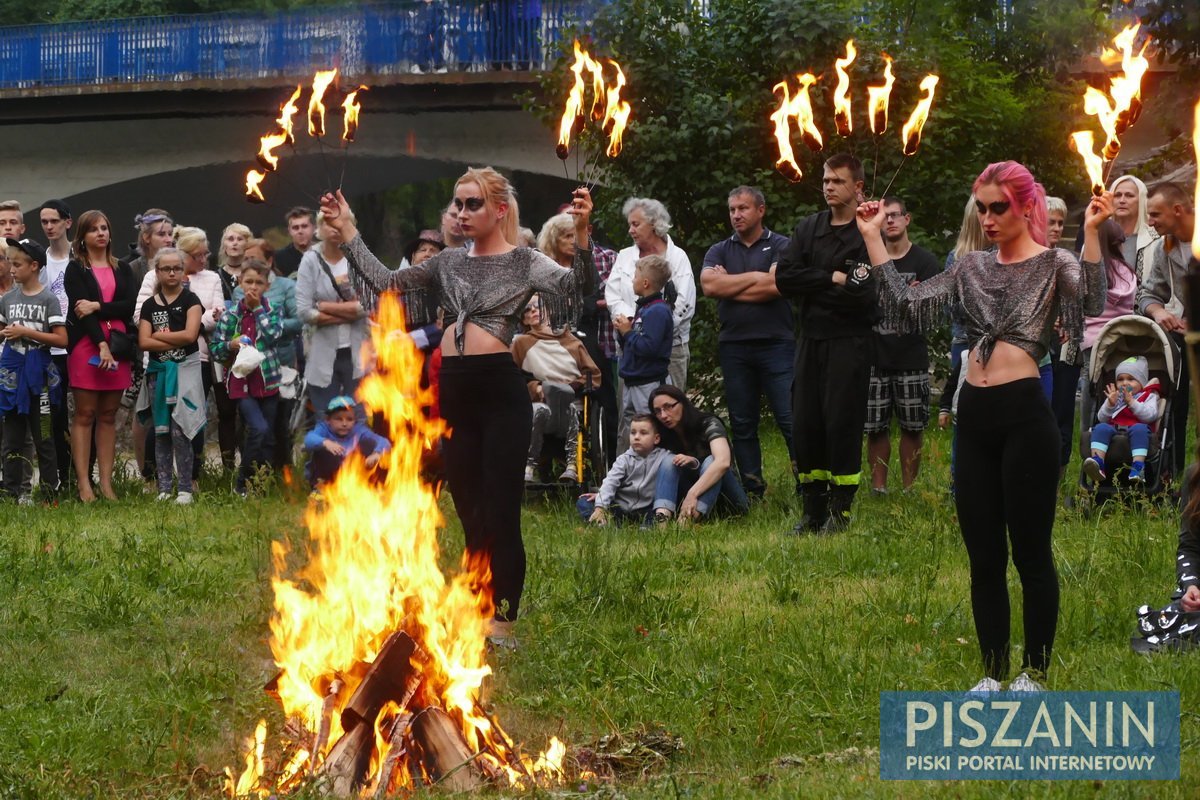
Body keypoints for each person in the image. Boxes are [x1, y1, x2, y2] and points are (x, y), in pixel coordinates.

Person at [319, 168, 597, 646]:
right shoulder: (446, 263)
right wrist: (347, 230)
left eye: (474, 205)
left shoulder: (526, 261)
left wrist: (585, 230)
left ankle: (504, 620)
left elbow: (577, 289)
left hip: (500, 392)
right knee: (469, 509)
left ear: (500, 210)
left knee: (501, 511)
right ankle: (475, 609)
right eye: (458, 204)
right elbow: (387, 280)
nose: (462, 213)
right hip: (455, 390)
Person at [857, 160, 1107, 691]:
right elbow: (906, 307)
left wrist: (1089, 233)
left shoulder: (1053, 262)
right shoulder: (969, 267)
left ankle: (1034, 672)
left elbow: (1091, 300)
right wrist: (873, 238)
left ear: (1025, 207)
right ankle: (992, 675)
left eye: (1000, 207)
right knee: (984, 554)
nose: (989, 218)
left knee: (1030, 550)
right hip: (974, 417)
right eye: (983, 208)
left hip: (1024, 415)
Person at [774, 153, 877, 532]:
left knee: (841, 422)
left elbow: (862, 294)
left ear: (858, 187)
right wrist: (832, 277)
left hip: (849, 342)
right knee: (807, 424)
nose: (829, 187)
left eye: (837, 181)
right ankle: (812, 511)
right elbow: (785, 279)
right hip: (810, 339)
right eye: (825, 181)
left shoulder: (866, 233)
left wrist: (815, 283)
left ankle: (840, 511)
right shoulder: (809, 227)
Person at [700, 185, 794, 499]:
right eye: (732, 210)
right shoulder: (719, 250)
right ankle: (754, 490)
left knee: (790, 417)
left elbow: (778, 286)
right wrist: (758, 277)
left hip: (776, 344)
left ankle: (807, 484)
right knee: (742, 422)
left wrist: (731, 284)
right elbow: (710, 287)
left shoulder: (782, 245)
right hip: (734, 346)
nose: (736, 215)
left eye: (742, 208)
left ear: (760, 210)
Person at [864, 196, 941, 494]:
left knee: (912, 426)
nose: (891, 221)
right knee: (875, 427)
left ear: (907, 219)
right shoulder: (870, 259)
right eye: (886, 217)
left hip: (911, 355)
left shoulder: (925, 261)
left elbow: (929, 311)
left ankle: (910, 488)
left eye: (896, 215)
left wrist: (917, 300)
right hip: (874, 355)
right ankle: (878, 488)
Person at [65, 210, 137, 503]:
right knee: (84, 414)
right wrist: (100, 344)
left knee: (108, 415)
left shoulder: (123, 268)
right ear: (82, 236)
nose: (101, 233)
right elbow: (80, 313)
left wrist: (97, 305)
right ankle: (84, 484)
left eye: (104, 228)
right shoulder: (76, 269)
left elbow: (127, 306)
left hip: (119, 344)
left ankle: (107, 485)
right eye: (94, 229)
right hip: (87, 345)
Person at [135, 247, 204, 505]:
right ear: (157, 272)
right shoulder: (149, 305)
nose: (172, 272)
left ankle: (185, 488)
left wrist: (159, 336)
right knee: (161, 430)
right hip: (158, 373)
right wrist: (164, 340)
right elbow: (143, 341)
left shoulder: (191, 300)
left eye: (177, 268)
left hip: (186, 371)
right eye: (166, 268)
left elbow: (190, 336)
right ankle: (164, 487)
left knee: (182, 430)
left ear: (183, 271)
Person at [606, 198, 696, 390]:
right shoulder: (624, 257)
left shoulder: (677, 257)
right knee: (630, 414)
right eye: (629, 224)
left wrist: (655, 333)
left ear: (654, 223)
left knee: (671, 412)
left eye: (636, 224)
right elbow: (613, 297)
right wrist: (633, 329)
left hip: (671, 349)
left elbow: (685, 303)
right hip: (630, 349)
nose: (630, 230)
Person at [1137, 181, 1195, 480]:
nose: (1150, 221)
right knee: (1177, 405)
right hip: (1187, 342)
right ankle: (1173, 476)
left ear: (1177, 210)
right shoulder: (1164, 247)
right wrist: (1159, 311)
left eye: (1156, 214)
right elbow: (1147, 294)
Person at [211, 260, 284, 496]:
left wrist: (258, 310)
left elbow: (274, 336)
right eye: (248, 281)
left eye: (259, 282)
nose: (253, 287)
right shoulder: (231, 314)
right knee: (258, 429)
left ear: (267, 286)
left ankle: (260, 485)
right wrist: (230, 344)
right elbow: (216, 348)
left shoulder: (272, 310)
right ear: (240, 283)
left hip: (268, 382)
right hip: (241, 384)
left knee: (268, 437)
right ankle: (242, 483)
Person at [0, 238, 65, 502]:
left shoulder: (48, 299)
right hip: (12, 375)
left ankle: (50, 493)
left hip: (40, 376)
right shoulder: (8, 299)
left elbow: (61, 339)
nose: (11, 269)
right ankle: (12, 491)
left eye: (17, 264)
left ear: (34, 266)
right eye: (9, 263)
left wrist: (25, 332)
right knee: (12, 438)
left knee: (44, 436)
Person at [512, 294, 600, 483]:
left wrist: (572, 386)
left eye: (537, 306)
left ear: (550, 309)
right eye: (527, 309)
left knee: (571, 409)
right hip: (539, 402)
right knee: (538, 411)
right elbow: (512, 378)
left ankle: (571, 466)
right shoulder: (520, 344)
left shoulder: (573, 343)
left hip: (570, 400)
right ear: (524, 318)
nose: (532, 311)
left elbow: (594, 376)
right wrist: (534, 387)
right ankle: (529, 466)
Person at [296, 210, 369, 424]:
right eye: (329, 224)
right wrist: (350, 313)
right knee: (325, 418)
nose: (335, 228)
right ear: (319, 228)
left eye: (342, 223)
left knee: (358, 416)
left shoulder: (359, 258)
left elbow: (368, 306)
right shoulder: (310, 260)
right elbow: (304, 311)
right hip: (322, 352)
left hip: (357, 351)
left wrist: (324, 306)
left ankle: (357, 456)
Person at [649, 384, 749, 523]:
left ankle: (688, 521)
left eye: (669, 407)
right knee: (668, 461)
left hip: (728, 499)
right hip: (684, 498)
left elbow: (723, 462)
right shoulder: (663, 435)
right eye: (658, 411)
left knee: (712, 460)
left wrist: (692, 494)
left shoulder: (708, 423)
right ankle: (662, 521)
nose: (663, 415)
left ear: (682, 403)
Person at [244, 238, 302, 469]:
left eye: (254, 259)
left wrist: (271, 325)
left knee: (280, 423)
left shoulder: (286, 286)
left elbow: (299, 321)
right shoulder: (242, 287)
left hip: (281, 363)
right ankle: (251, 473)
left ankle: (282, 473)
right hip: (248, 367)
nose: (248, 263)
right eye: (246, 259)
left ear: (269, 261)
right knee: (254, 426)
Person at [125, 208, 175, 483]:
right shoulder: (134, 268)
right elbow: (133, 310)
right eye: (161, 234)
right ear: (146, 237)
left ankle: (167, 468)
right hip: (140, 346)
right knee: (142, 410)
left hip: (171, 344)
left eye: (170, 233)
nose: (168, 239)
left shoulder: (178, 263)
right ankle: (147, 472)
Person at [614, 255, 673, 449]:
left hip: (649, 384)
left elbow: (649, 348)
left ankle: (657, 473)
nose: (632, 280)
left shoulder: (658, 311)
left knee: (651, 430)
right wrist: (623, 333)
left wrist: (628, 332)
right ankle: (638, 472)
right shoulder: (644, 308)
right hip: (633, 382)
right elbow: (634, 345)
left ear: (645, 283)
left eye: (635, 276)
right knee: (636, 433)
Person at [576, 413, 671, 526]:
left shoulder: (664, 457)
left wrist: (692, 462)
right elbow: (610, 482)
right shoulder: (624, 460)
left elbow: (679, 463)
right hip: (620, 507)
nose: (636, 437)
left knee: (655, 515)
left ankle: (645, 527)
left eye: (643, 433)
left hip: (646, 508)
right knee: (584, 502)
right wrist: (600, 505)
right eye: (633, 432)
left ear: (656, 439)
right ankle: (601, 522)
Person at [38, 200, 73, 490]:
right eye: (44, 222)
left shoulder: (79, 258)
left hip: (80, 343)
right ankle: (62, 476)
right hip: (51, 348)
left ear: (67, 223)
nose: (49, 226)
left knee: (88, 413)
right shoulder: (41, 261)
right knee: (56, 415)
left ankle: (83, 474)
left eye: (54, 221)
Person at [1083, 356, 1160, 484]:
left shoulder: (1148, 396)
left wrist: (1132, 402)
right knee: (1101, 427)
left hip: (1137, 429)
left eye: (1131, 379)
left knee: (1139, 429)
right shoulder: (1115, 398)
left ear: (1142, 382)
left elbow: (1150, 415)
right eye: (1120, 379)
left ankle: (1138, 468)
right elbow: (1101, 418)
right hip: (1115, 429)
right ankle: (1098, 463)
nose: (1124, 383)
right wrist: (1109, 405)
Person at [303, 395, 390, 487]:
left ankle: (368, 486)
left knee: (369, 447)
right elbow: (309, 439)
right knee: (322, 450)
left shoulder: (358, 430)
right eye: (339, 419)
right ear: (328, 420)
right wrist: (326, 443)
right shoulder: (324, 428)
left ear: (355, 420)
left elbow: (383, 441)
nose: (344, 424)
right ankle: (320, 489)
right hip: (325, 477)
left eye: (349, 419)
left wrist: (377, 453)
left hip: (352, 475)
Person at [274, 207, 315, 277]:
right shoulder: (279, 258)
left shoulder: (325, 252)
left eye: (304, 226)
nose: (300, 231)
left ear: (314, 228)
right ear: (289, 231)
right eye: (295, 228)